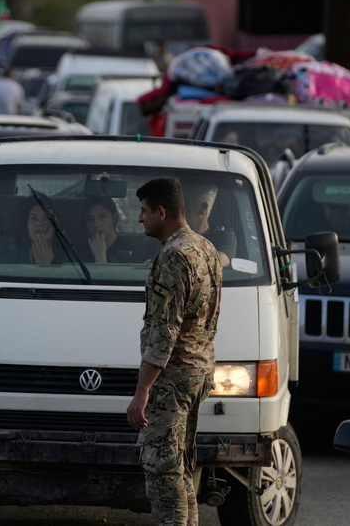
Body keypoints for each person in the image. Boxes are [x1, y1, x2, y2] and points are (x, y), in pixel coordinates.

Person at [128, 176, 222, 526]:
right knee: (181, 470)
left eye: (143, 211)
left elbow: (163, 332)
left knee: (164, 476)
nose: (140, 219)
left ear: (161, 212)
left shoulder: (173, 256)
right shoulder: (206, 249)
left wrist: (142, 393)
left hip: (172, 381)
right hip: (198, 375)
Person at [182, 182, 235, 267]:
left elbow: (219, 261)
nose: (179, 208)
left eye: (186, 202)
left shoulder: (223, 238)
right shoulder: (168, 234)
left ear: (203, 209)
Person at [83, 196, 137, 264]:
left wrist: (100, 256)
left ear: (114, 218)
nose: (96, 224)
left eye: (102, 217)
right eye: (90, 219)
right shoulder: (79, 252)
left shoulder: (129, 251)